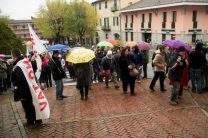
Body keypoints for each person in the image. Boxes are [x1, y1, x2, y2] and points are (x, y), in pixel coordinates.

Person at [11, 48, 42, 127]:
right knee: (34, 103)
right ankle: (38, 119)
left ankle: (30, 121)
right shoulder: (26, 61)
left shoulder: (18, 66)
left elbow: (20, 80)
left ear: (13, 55)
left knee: (27, 106)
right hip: (32, 86)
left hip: (24, 89)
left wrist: (19, 92)